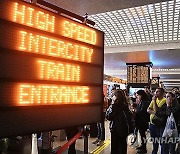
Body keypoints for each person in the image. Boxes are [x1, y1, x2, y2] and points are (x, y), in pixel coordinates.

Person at [106, 89, 133, 154]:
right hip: (124, 129)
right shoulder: (125, 106)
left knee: (115, 147)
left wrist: (111, 106)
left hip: (115, 129)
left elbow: (108, 117)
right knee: (123, 146)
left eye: (114, 95)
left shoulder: (114, 106)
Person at [147, 87, 167, 154]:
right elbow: (148, 109)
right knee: (154, 141)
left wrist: (154, 101)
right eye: (156, 91)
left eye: (158, 91)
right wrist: (154, 112)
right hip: (152, 124)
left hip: (160, 124)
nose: (156, 93)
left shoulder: (164, 100)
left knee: (162, 142)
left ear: (162, 93)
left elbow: (157, 110)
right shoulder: (153, 100)